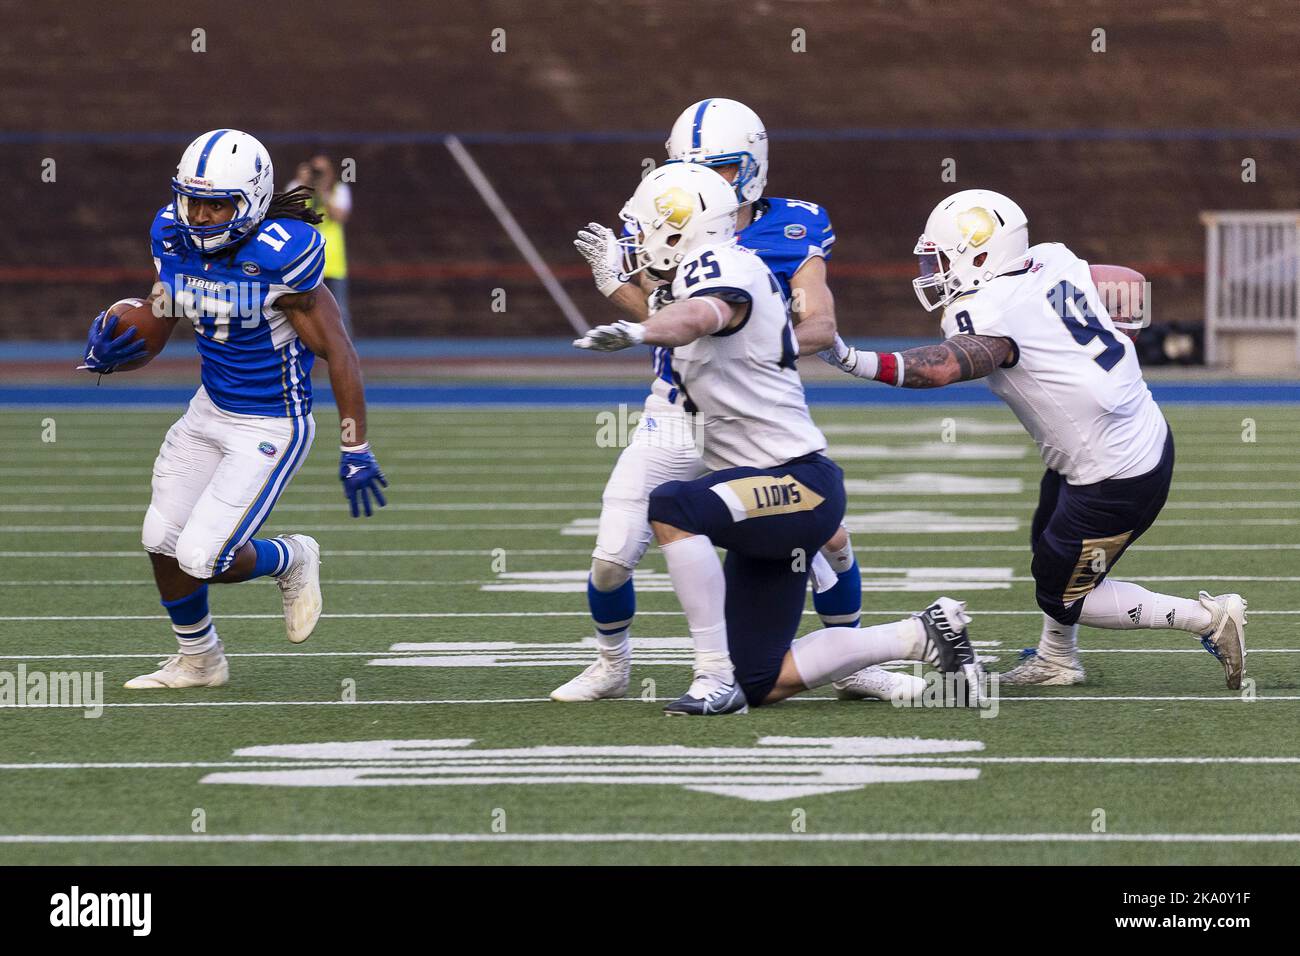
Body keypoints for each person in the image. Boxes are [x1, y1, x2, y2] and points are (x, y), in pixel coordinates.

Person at [574, 162, 979, 715]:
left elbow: (701, 314)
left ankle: (713, 677)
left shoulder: (724, 267)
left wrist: (640, 330)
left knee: (672, 505)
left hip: (795, 483)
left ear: (679, 231)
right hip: (765, 486)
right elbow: (686, 308)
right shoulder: (705, 269)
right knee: (762, 679)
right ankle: (923, 633)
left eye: (645, 228)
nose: (636, 240)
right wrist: (623, 291)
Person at [820, 188, 1247, 688]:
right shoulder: (1049, 260)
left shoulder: (988, 308)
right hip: (1121, 439)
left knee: (1063, 595)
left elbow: (944, 368)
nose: (933, 271)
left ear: (980, 255)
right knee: (1049, 549)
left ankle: (1209, 618)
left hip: (1114, 473)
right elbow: (1125, 282)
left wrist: (852, 359)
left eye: (940, 258)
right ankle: (1057, 660)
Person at [555, 98, 901, 704]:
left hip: (749, 415)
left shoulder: (791, 225)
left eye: (719, 166)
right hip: (674, 412)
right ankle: (613, 663)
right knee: (611, 556)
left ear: (752, 163)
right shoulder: (667, 215)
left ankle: (850, 662)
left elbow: (818, 325)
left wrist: (757, 343)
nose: (705, 180)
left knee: (825, 540)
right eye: (691, 167)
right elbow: (671, 318)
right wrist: (619, 288)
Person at [78, 128, 388, 689]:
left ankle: (290, 556)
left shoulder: (281, 256)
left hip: (270, 422)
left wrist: (355, 444)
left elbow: (338, 350)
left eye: (216, 204)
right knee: (161, 539)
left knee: (204, 557)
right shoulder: (172, 234)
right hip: (209, 409)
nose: (199, 216)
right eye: (192, 201)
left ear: (251, 200)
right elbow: (168, 304)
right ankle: (200, 659)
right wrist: (120, 345)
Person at [290, 154, 353, 335]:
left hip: (333, 263)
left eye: (322, 171)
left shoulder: (339, 190)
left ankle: (343, 345)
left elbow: (339, 216)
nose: (318, 175)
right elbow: (289, 213)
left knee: (339, 308)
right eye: (315, 171)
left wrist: (323, 192)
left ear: (331, 172)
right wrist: (303, 186)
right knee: (302, 307)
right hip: (305, 261)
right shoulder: (297, 187)